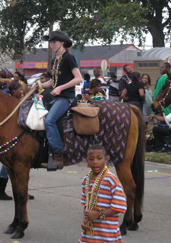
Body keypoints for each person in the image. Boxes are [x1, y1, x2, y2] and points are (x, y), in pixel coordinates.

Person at [32, 30, 82, 169]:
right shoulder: (55, 60)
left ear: (62, 43)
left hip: (66, 97)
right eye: (50, 42)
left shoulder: (68, 58)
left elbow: (78, 78)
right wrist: (39, 85)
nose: (51, 45)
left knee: (49, 120)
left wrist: (61, 88)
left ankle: (58, 155)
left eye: (54, 42)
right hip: (56, 97)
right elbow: (52, 84)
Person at [79, 144, 127, 243]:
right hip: (90, 233)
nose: (95, 162)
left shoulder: (111, 180)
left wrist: (97, 214)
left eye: (99, 158)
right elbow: (86, 205)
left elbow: (119, 207)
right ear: (87, 161)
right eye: (91, 159)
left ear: (105, 160)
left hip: (107, 233)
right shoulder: (86, 180)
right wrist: (85, 220)